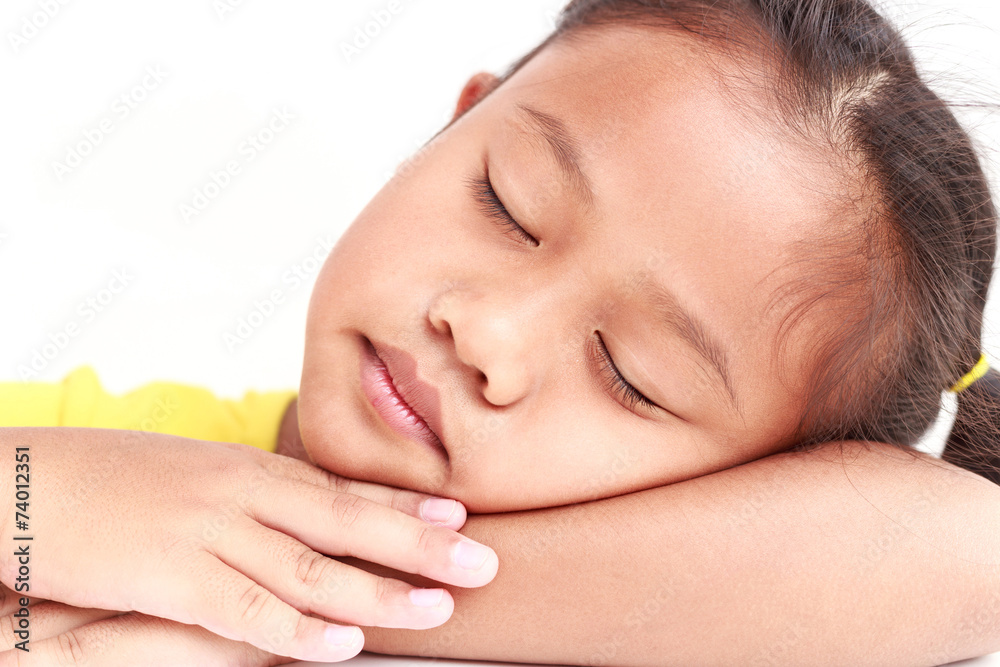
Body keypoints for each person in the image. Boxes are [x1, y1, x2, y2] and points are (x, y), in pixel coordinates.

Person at [2, 0, 1000, 664]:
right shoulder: (65, 449)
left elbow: (971, 549)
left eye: (629, 373)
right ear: (454, 124)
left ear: (762, 486)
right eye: (505, 202)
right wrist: (42, 503)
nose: (484, 329)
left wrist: (323, 602)